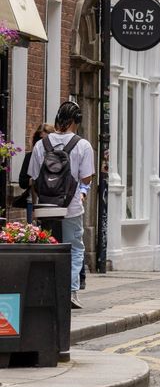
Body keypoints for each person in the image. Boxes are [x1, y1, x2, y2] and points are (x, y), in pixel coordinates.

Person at [27, 102, 95, 308]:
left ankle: (47, 291)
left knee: (49, 247)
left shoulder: (41, 145)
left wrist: (43, 199)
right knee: (74, 248)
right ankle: (71, 292)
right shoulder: (83, 145)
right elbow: (86, 179)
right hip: (71, 206)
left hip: (46, 206)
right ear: (76, 121)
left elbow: (33, 179)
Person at [15, 123, 54, 220]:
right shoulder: (30, 157)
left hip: (54, 201)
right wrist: (34, 179)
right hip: (33, 202)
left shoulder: (59, 158)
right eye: (40, 140)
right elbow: (22, 182)